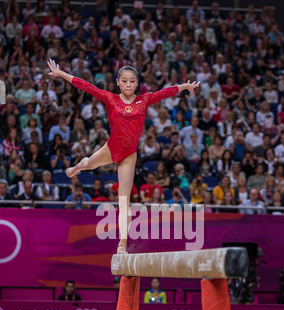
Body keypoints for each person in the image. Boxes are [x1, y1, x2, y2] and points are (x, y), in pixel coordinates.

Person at [47, 59, 200, 254]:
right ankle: (77, 168)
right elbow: (86, 86)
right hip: (110, 149)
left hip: (129, 155)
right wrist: (61, 74)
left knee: (124, 200)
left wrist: (185, 86)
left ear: (137, 83)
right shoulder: (110, 98)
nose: (128, 84)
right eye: (125, 81)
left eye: (133, 81)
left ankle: (122, 244)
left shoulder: (144, 100)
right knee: (87, 164)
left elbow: (164, 93)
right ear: (118, 82)